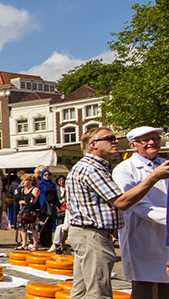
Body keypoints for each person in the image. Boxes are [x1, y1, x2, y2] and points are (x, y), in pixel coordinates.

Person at [68, 127, 169, 299]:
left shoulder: (96, 167)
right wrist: (153, 177)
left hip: (93, 233)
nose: (115, 141)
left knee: (83, 289)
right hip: (94, 235)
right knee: (98, 292)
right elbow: (123, 202)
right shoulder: (95, 169)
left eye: (155, 138)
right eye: (109, 138)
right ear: (93, 144)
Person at [112, 126, 169, 299]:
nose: (152, 142)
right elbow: (139, 206)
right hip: (142, 236)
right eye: (145, 140)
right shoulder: (124, 169)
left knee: (166, 286)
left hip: (165, 233)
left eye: (155, 139)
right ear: (133, 145)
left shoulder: (164, 164)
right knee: (144, 286)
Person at [37, 169, 61, 248]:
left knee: (50, 224)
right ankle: (42, 241)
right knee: (44, 224)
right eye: (45, 175)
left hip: (52, 206)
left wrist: (59, 205)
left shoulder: (52, 184)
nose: (47, 176)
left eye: (48, 175)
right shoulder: (40, 184)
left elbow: (56, 196)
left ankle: (48, 241)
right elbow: (40, 195)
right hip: (43, 206)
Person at [16, 173, 41, 251]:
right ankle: (24, 244)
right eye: (22, 180)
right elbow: (17, 198)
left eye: (25, 180)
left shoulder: (35, 189)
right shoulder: (22, 189)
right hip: (23, 210)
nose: (23, 182)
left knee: (33, 228)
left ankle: (35, 245)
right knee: (22, 227)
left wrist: (23, 202)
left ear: (31, 181)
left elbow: (32, 202)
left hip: (31, 211)